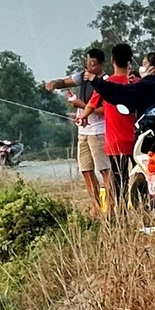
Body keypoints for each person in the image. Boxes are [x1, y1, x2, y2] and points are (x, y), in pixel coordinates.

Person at [50, 47, 111, 214]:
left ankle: (112, 207)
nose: (89, 68)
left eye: (93, 64)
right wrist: (55, 84)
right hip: (83, 132)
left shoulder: (106, 82)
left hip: (99, 131)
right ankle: (96, 207)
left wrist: (81, 105)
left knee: (105, 170)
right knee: (86, 170)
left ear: (101, 64)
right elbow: (65, 82)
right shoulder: (82, 77)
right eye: (87, 64)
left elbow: (106, 110)